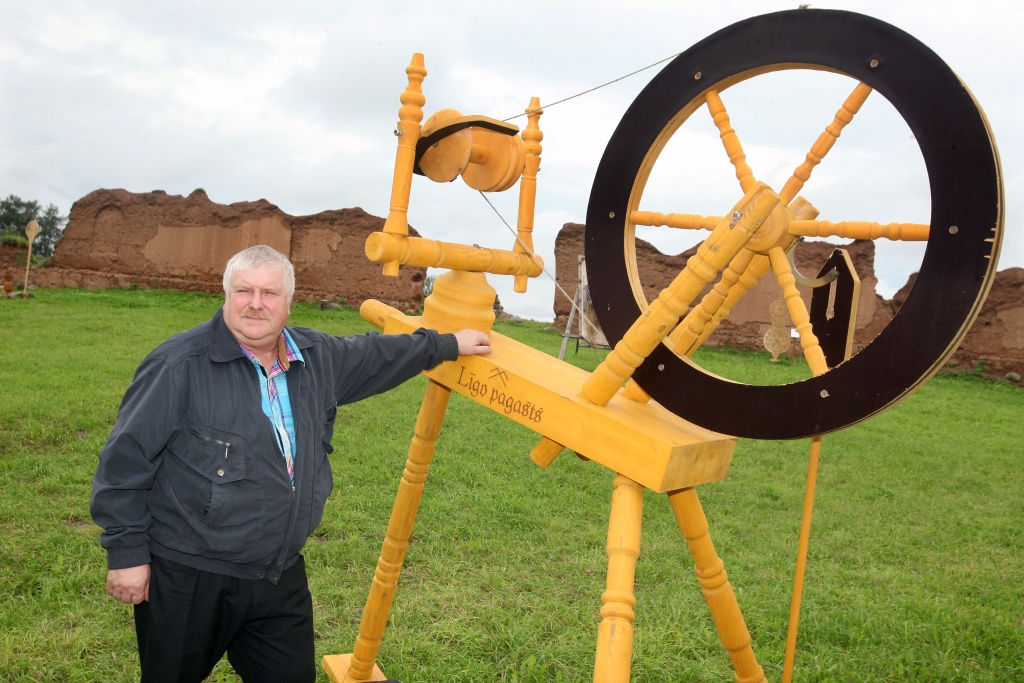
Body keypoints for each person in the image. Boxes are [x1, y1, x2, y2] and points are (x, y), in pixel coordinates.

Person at [90, 245, 491, 683]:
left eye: (269, 293)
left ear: (289, 301)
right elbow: (125, 461)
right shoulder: (179, 364)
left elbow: (379, 355)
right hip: (189, 575)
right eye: (244, 290)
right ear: (225, 294)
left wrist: (449, 343)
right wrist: (127, 553)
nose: (256, 303)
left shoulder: (317, 357)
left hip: (278, 574)